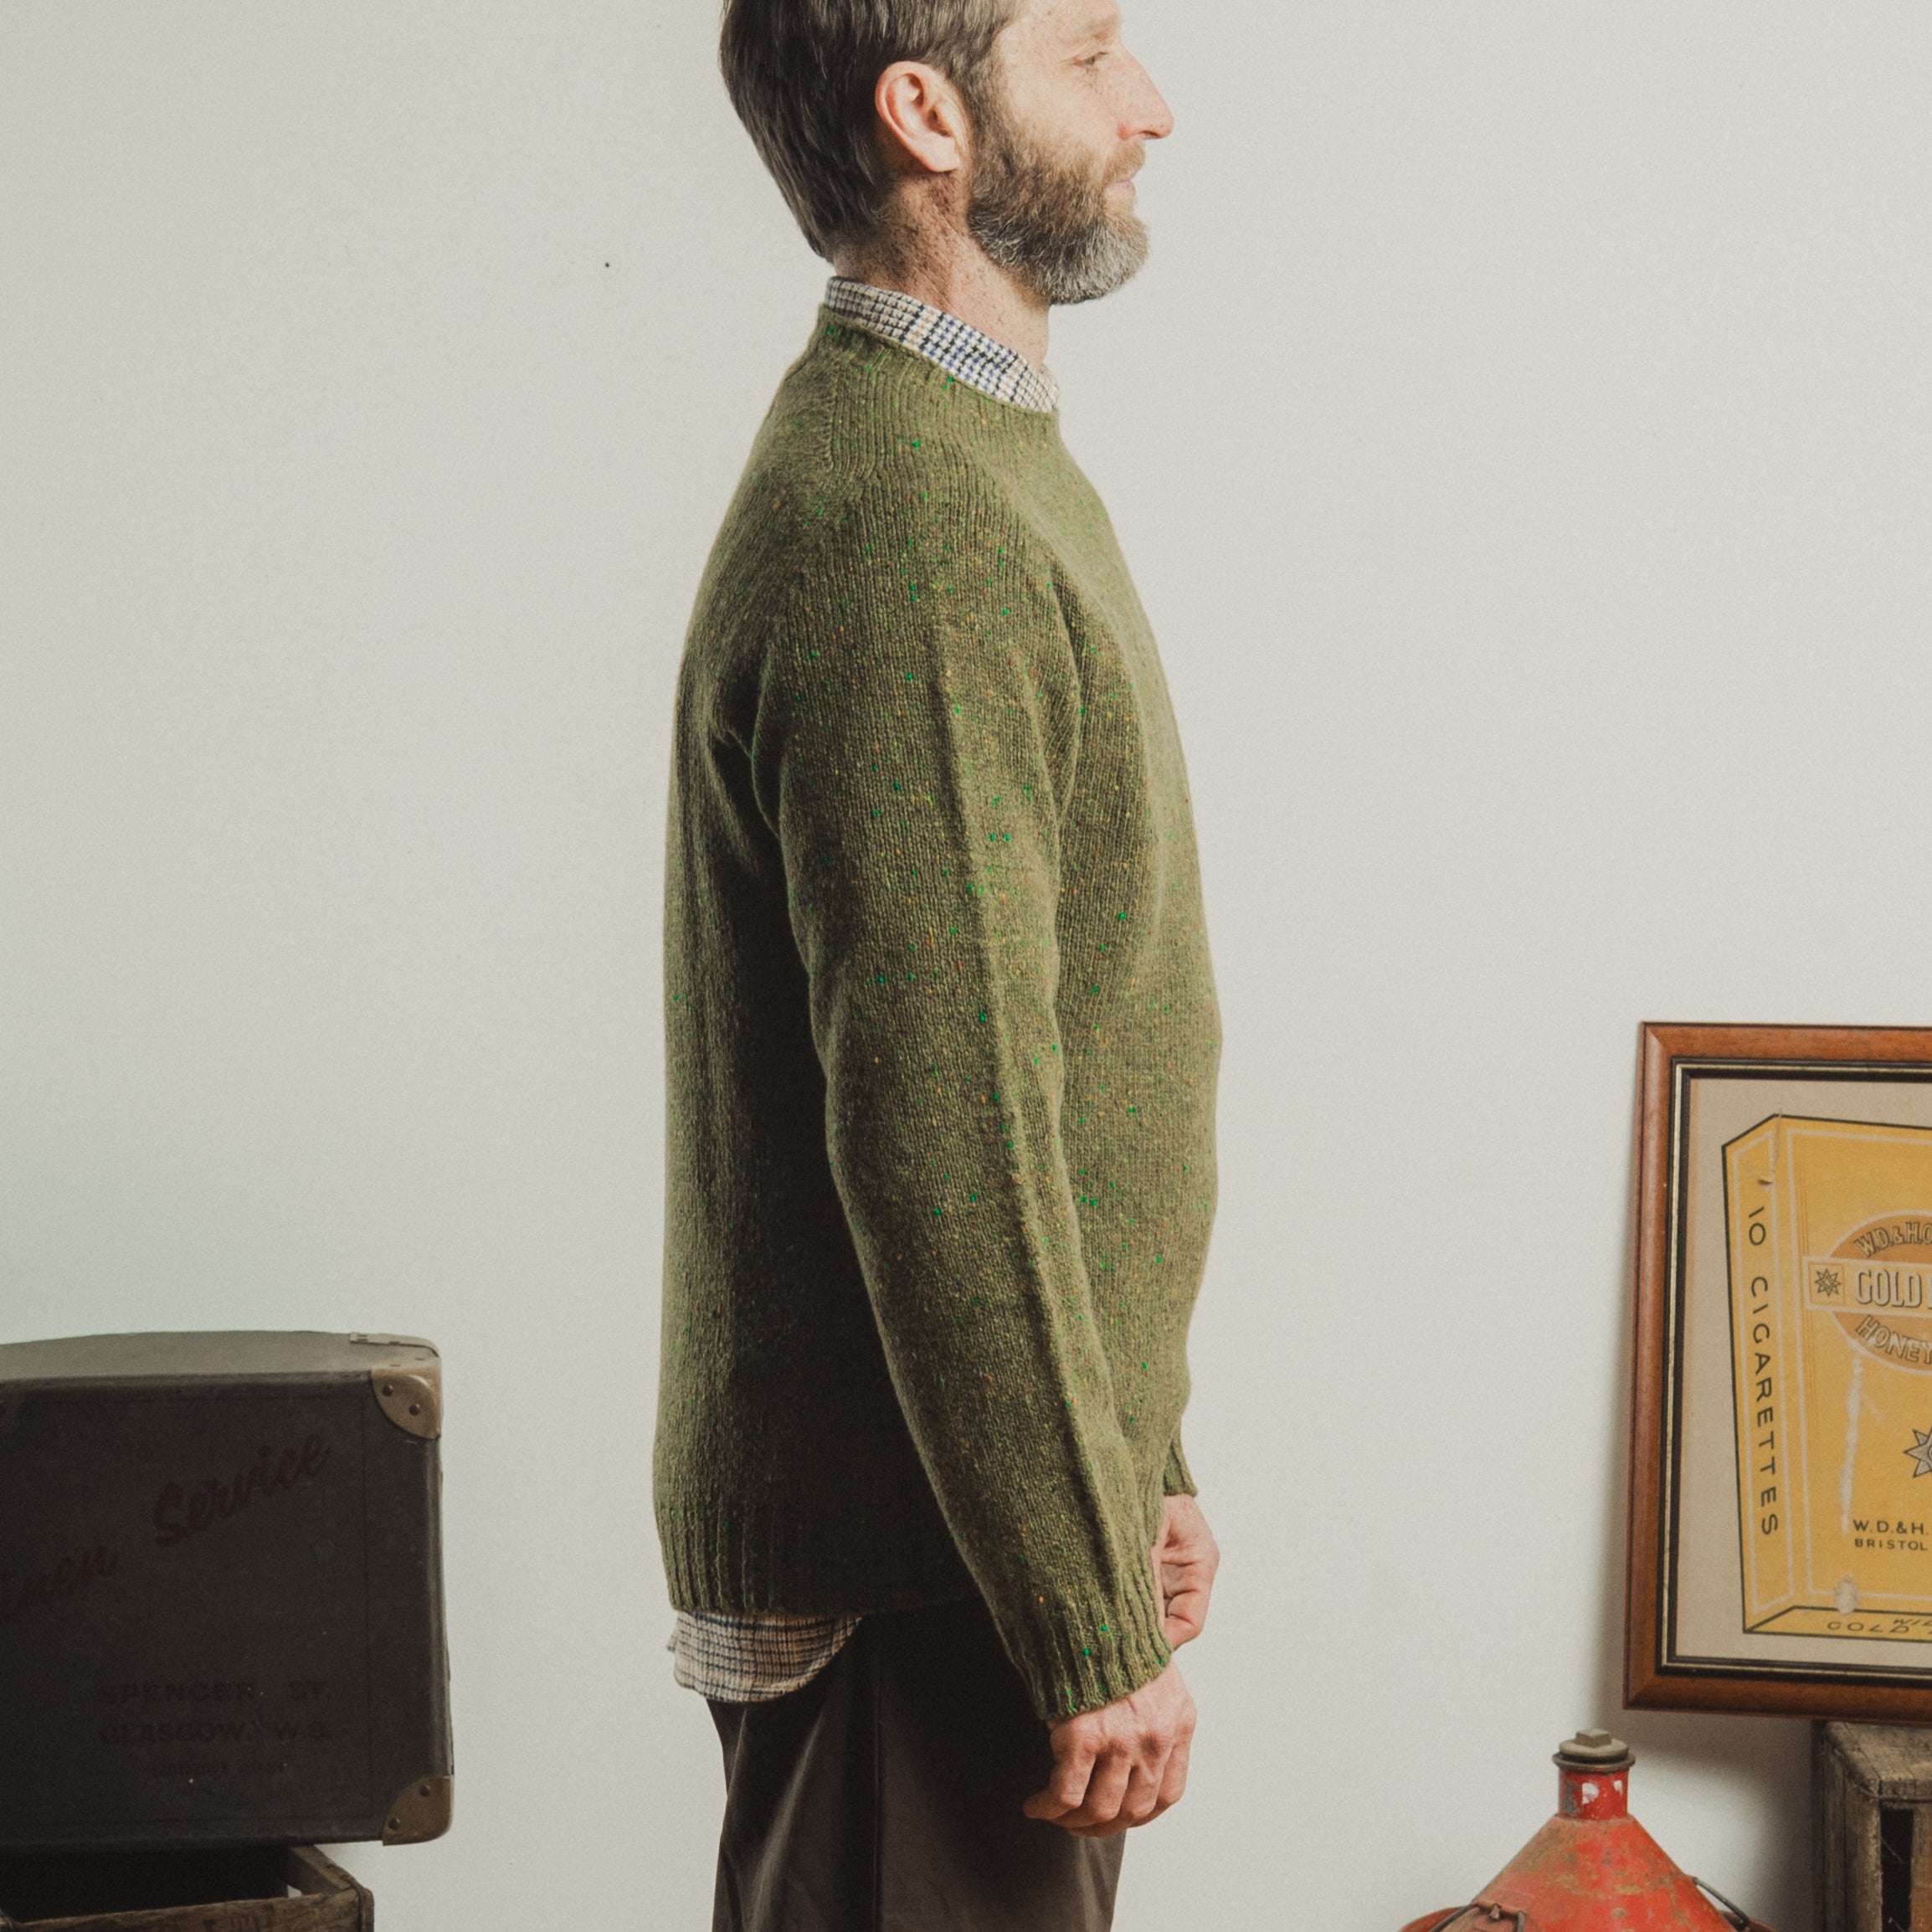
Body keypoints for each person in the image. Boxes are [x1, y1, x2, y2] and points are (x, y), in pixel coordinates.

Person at [655, 1, 1221, 1924]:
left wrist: (1133, 1460)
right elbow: (947, 1132)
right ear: (927, 114)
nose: (1148, 104)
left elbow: (1059, 1045)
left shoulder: (967, 463)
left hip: (966, 1541)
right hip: (923, 1575)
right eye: (1088, 54)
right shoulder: (905, 520)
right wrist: (1076, 1609)